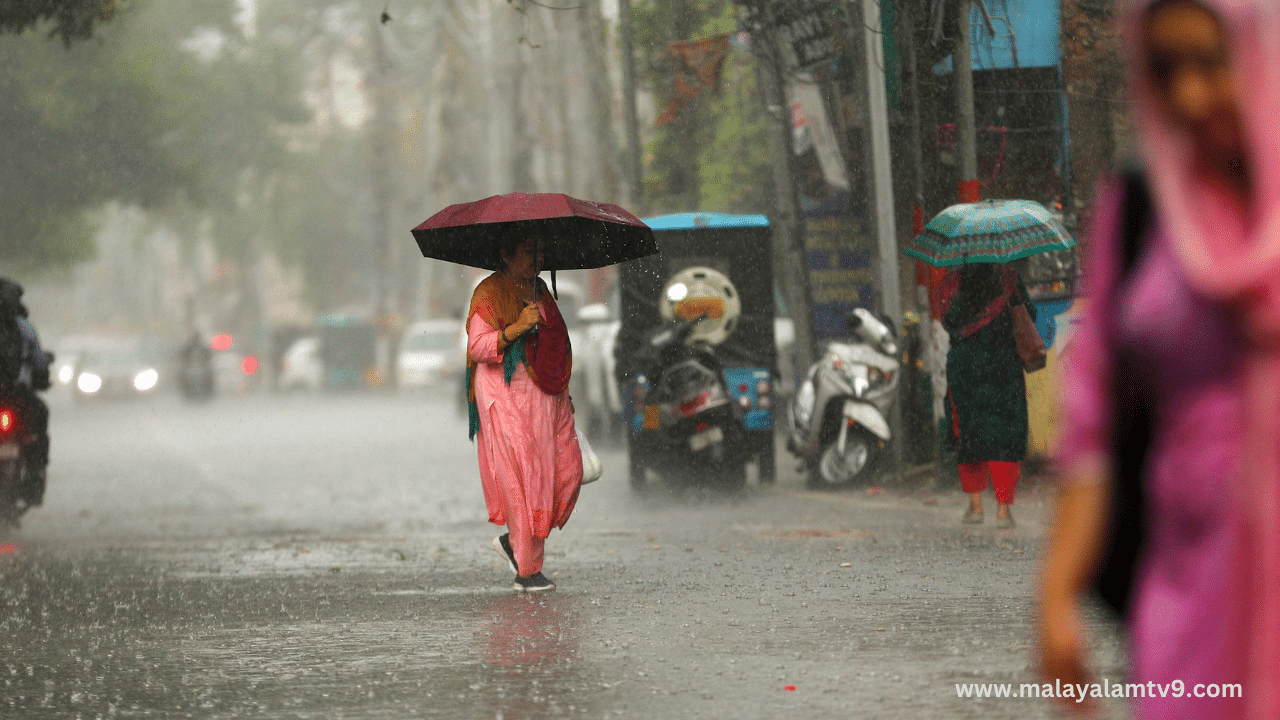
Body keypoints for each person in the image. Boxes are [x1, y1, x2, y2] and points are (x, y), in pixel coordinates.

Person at [1039, 0, 1280, 717]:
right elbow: (1093, 421)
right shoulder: (1142, 210)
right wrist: (1055, 597)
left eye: (1211, 61)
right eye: (1165, 68)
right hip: (1187, 608)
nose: (1189, 94)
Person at [465, 231, 581, 593]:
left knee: (566, 471)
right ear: (505, 254)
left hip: (548, 397)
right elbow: (479, 346)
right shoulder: (488, 293)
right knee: (525, 481)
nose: (537, 259)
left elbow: (554, 343)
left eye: (539, 252)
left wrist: (562, 390)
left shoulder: (542, 292)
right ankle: (527, 571)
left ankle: (516, 543)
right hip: (506, 399)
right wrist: (515, 328)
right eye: (529, 252)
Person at [940, 262, 1036, 529]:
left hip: (965, 367)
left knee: (970, 434)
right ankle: (1003, 512)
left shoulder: (953, 281)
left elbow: (947, 320)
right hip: (1003, 365)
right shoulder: (1008, 277)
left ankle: (975, 507)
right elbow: (1029, 314)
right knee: (1006, 434)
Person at [0, 279, 50, 508]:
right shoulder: (23, 326)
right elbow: (39, 361)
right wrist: (43, 378)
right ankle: (35, 477)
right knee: (38, 424)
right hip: (20, 397)